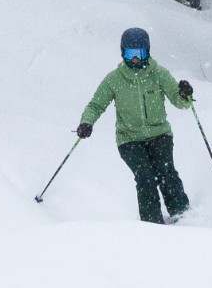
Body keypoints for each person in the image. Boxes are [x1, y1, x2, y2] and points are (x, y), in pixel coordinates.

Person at [76, 26, 195, 223]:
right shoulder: (114, 79)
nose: (135, 60)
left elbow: (180, 102)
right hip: (129, 139)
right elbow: (96, 104)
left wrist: (185, 94)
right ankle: (152, 223)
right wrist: (86, 122)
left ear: (147, 52)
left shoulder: (159, 74)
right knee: (145, 177)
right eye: (131, 54)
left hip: (159, 134)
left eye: (139, 54)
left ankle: (182, 214)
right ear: (123, 53)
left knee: (166, 171)